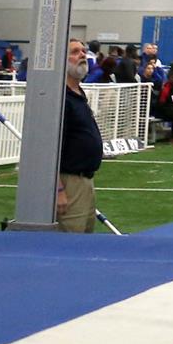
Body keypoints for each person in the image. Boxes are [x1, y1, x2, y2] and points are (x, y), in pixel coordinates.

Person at [57, 37, 104, 233]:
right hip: (69, 181)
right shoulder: (61, 98)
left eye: (83, 51)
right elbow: (51, 149)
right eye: (75, 52)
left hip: (86, 180)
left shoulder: (78, 94)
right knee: (70, 239)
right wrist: (58, 189)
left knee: (85, 240)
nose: (82, 55)